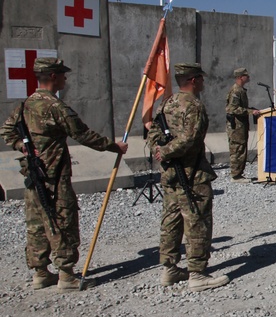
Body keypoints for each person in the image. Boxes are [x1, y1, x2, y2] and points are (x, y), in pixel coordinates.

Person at [1, 58, 128, 291]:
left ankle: (40, 273)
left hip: (33, 173)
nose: (65, 79)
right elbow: (83, 135)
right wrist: (114, 146)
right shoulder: (56, 107)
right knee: (62, 219)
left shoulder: (25, 105)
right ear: (52, 77)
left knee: (37, 221)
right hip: (54, 174)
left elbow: (7, 129)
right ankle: (66, 275)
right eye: (62, 74)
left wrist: (22, 146)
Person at [148, 63, 230, 290]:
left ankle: (169, 268)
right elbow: (190, 139)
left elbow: (153, 132)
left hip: (170, 174)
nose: (203, 83)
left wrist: (158, 149)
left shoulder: (165, 103)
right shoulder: (194, 106)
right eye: (201, 79)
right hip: (191, 175)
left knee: (171, 221)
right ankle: (197, 274)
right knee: (197, 221)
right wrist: (165, 151)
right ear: (193, 80)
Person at [226, 67, 261, 181]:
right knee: (237, 149)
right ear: (241, 77)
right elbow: (232, 108)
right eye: (246, 75)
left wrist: (251, 109)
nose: (248, 77)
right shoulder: (236, 91)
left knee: (241, 148)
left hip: (241, 125)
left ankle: (239, 173)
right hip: (236, 125)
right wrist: (250, 112)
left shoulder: (241, 90)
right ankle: (236, 175)